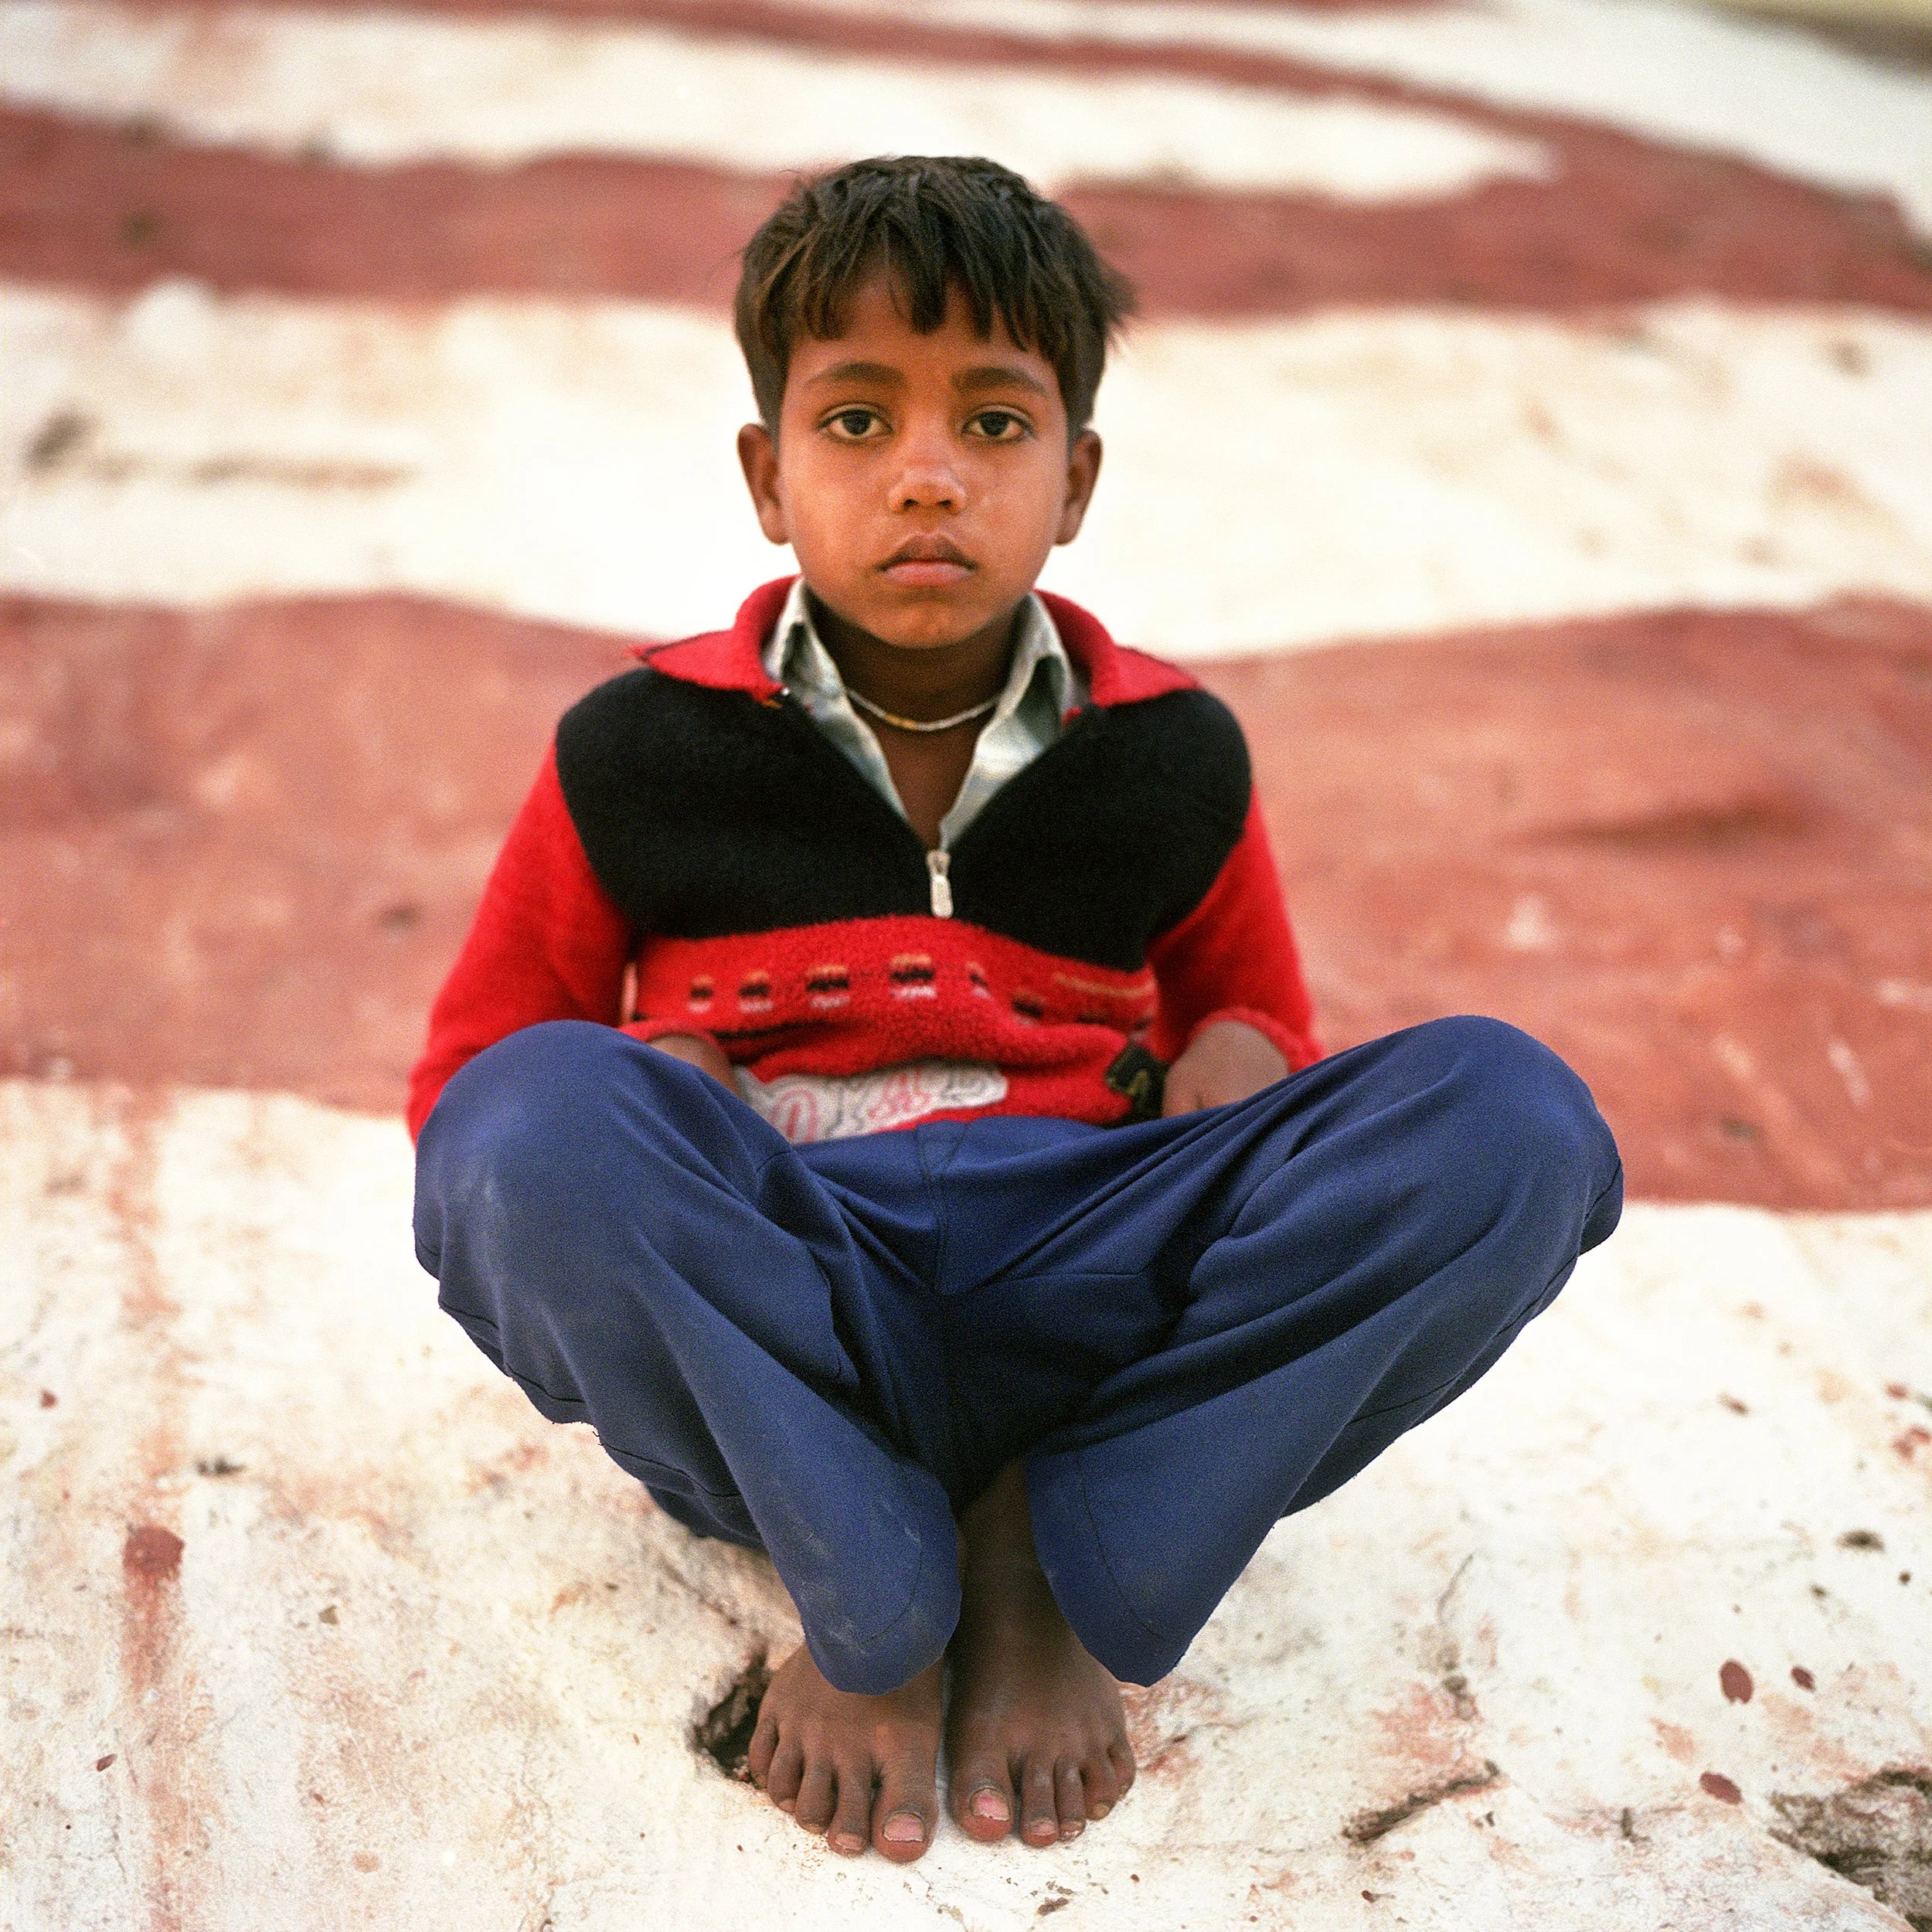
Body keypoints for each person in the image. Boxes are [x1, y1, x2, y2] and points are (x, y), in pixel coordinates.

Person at [409, 155, 1622, 1866]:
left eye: (991, 425)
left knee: (1509, 1121)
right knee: (530, 1124)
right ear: (765, 476)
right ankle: (870, 1594)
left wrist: (1235, 1060)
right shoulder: (636, 749)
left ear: (1076, 480)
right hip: (781, 1296)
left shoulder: (1169, 753)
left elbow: (1252, 1014)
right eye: (853, 424)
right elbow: (473, 1086)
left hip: (1090, 1280)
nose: (924, 474)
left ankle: (1053, 1553)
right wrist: (644, 1083)